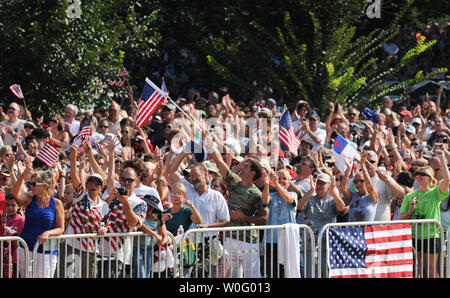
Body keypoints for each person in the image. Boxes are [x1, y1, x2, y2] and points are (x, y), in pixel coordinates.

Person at [207, 132, 267, 278]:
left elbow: (265, 219)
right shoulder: (234, 181)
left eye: (246, 165)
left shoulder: (256, 193)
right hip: (229, 238)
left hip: (248, 241)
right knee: (230, 277)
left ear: (252, 173)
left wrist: (244, 217)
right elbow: (220, 161)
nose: (241, 166)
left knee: (251, 277)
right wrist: (209, 141)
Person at [98, 139, 148, 277]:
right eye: (123, 179)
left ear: (136, 181)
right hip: (99, 250)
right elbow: (100, 213)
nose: (125, 183)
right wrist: (110, 199)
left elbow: (133, 223)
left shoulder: (139, 203)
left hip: (119, 255)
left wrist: (125, 203)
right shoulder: (112, 195)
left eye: (130, 180)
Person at [60, 145, 108, 278]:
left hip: (90, 248)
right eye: (90, 182)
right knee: (67, 276)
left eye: (97, 183)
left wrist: (105, 230)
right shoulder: (81, 195)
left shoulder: (104, 206)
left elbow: (107, 223)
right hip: (72, 244)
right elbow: (74, 176)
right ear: (86, 185)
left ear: (101, 188)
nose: (93, 185)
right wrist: (74, 156)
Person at [400, 150, 449, 278]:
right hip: (414, 236)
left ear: (430, 178)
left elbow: (447, 179)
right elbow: (402, 218)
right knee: (416, 271)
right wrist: (410, 210)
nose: (419, 176)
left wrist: (443, 158)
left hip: (431, 236)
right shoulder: (409, 196)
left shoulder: (434, 193)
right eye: (418, 173)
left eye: (423, 174)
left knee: (432, 272)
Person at [12, 163, 65, 278]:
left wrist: (48, 233)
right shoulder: (29, 200)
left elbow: (61, 228)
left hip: (46, 252)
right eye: (30, 183)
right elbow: (15, 193)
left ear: (45, 186)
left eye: (34, 184)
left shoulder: (56, 203)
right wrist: (22, 176)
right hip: (25, 249)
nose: (31, 186)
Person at [297, 172, 345, 277]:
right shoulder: (310, 199)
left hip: (328, 246)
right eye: (318, 183)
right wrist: (310, 191)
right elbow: (299, 207)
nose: (319, 186)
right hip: (310, 245)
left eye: (322, 183)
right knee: (310, 274)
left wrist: (333, 192)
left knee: (326, 274)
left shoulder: (332, 200)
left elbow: (342, 208)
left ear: (328, 186)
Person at [261, 169, 298, 277]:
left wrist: (276, 183)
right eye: (279, 178)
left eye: (284, 179)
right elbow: (264, 201)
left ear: (289, 182)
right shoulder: (272, 195)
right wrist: (267, 184)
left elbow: (289, 199)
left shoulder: (293, 194)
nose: (281, 180)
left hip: (288, 239)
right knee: (272, 272)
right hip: (271, 240)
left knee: (287, 272)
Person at [132, 194, 168, 278]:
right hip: (137, 248)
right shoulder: (140, 216)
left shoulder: (158, 219)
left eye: (148, 206)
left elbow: (164, 234)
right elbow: (142, 226)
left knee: (147, 272)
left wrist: (163, 241)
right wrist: (155, 235)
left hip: (149, 249)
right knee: (141, 272)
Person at [341, 153, 378, 222]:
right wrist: (348, 169)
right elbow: (343, 188)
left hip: (366, 231)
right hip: (352, 230)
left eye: (361, 181)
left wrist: (363, 166)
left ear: (366, 181)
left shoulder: (372, 196)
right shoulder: (353, 195)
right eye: (356, 181)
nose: (358, 183)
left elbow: (369, 187)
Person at [2, 193, 25, 278]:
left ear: (19, 206)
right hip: (4, 259)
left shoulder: (21, 220)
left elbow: (20, 239)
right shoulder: (3, 219)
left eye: (13, 205)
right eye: (7, 205)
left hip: (16, 258)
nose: (10, 208)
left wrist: (9, 232)